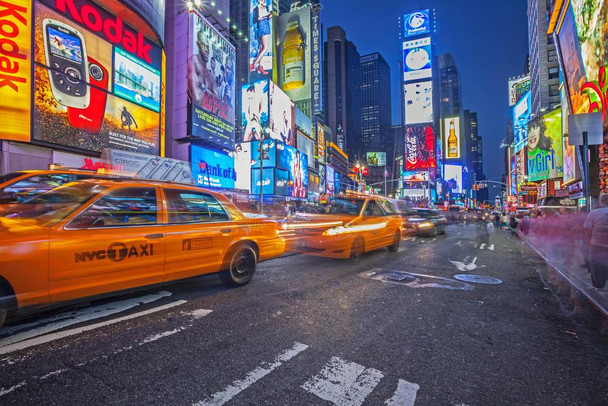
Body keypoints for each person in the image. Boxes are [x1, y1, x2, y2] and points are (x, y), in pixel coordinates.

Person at [584, 194, 608, 289]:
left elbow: (587, 229)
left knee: (597, 268)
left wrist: (589, 242)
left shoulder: (594, 213)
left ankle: (598, 288)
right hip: (597, 246)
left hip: (597, 246)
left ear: (601, 202)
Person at [250, 0, 272, 75]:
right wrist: (262, 16)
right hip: (262, 26)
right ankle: (254, 65)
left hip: (266, 25)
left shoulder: (266, 7)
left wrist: (270, 15)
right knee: (265, 48)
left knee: (262, 48)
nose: (263, 0)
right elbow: (254, 20)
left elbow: (268, 18)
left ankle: (260, 66)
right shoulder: (256, 8)